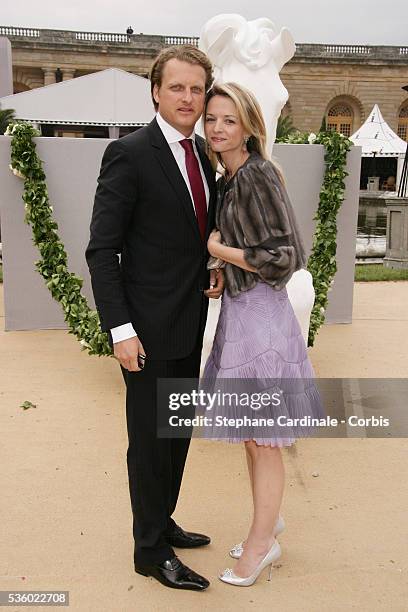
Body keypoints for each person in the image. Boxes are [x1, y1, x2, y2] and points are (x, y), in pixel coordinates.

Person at [85, 45, 224, 591]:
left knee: (178, 433)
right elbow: (103, 250)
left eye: (197, 89)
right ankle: (149, 552)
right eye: (178, 88)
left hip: (190, 323)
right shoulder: (131, 153)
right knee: (149, 442)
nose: (188, 98)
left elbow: (188, 234)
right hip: (144, 332)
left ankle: (161, 520)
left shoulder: (203, 154)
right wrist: (120, 330)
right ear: (155, 92)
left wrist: (210, 264)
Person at [202, 82, 324, 587]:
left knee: (263, 437)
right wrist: (221, 266)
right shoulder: (229, 176)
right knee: (254, 437)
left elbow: (285, 256)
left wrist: (220, 250)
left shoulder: (255, 175)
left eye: (228, 120)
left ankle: (262, 545)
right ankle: (267, 521)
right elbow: (249, 245)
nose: (216, 128)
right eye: (211, 119)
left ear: (250, 125)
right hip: (243, 312)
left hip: (263, 322)